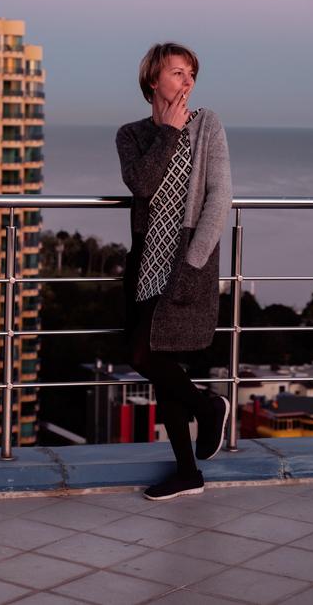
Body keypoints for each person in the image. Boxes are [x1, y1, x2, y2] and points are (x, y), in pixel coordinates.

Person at [116, 42, 232, 500]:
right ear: (152, 81)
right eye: (177, 73)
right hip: (145, 262)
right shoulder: (131, 134)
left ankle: (205, 413)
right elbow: (141, 184)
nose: (187, 82)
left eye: (191, 74)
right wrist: (166, 132)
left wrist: (195, 262)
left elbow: (219, 198)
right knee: (154, 360)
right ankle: (191, 464)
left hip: (186, 263)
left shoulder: (208, 125)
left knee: (148, 357)